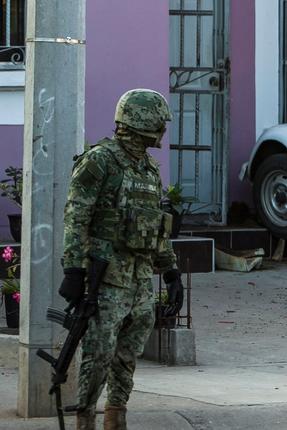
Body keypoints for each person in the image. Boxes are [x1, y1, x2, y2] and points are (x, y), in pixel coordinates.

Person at [60, 89, 184, 430]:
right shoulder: (100, 160)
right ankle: (84, 418)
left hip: (139, 278)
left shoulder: (148, 169)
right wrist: (73, 267)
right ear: (141, 121)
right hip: (107, 277)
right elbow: (76, 216)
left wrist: (171, 271)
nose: (161, 130)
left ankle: (116, 417)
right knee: (98, 355)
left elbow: (157, 226)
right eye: (158, 122)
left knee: (128, 354)